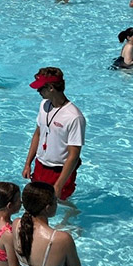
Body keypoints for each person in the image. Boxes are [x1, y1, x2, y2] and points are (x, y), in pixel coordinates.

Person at [22, 68, 84, 200]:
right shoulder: (44, 105)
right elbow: (38, 134)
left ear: (51, 88)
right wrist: (28, 163)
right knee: (36, 201)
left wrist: (59, 185)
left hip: (59, 170)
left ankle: (70, 216)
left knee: (59, 203)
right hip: (40, 165)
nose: (38, 92)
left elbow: (74, 155)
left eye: (40, 89)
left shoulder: (74, 117)